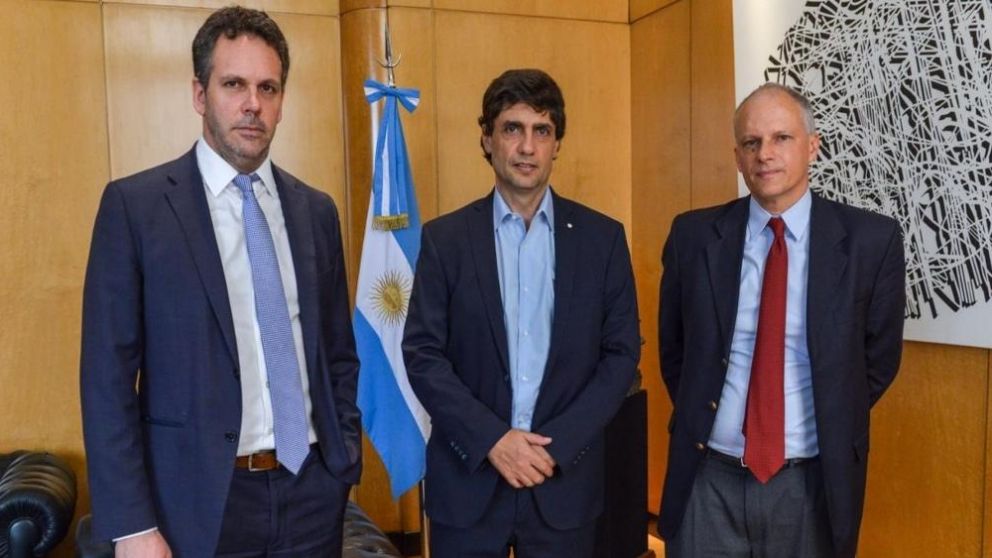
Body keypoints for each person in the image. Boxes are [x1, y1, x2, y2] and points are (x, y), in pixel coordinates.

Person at [80, 6, 360, 557]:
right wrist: (132, 526)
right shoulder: (136, 209)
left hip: (312, 496)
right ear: (199, 94)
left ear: (281, 101)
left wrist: (341, 462)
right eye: (234, 84)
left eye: (268, 87)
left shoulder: (316, 212)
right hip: (199, 503)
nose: (252, 103)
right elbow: (107, 380)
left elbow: (338, 355)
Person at [657, 82, 905, 558]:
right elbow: (676, 352)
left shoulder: (869, 242)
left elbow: (876, 361)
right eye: (752, 143)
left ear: (812, 146)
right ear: (737, 156)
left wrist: (828, 416)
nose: (764, 154)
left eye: (781, 139)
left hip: (810, 483)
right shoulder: (692, 236)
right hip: (708, 477)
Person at [402, 68, 640, 557]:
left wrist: (555, 449)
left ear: (557, 144)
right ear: (487, 139)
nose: (527, 147)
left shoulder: (604, 241)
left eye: (542, 130)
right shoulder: (445, 241)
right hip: (468, 484)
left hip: (564, 487)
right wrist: (493, 439)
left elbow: (620, 359)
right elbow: (423, 354)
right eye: (512, 129)